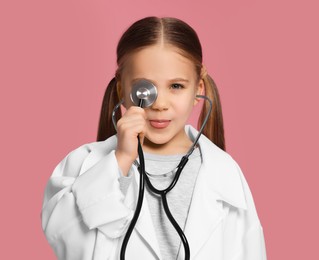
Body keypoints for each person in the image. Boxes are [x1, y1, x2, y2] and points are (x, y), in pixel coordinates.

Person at [41, 16, 267, 260]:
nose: (159, 104)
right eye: (145, 88)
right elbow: (64, 238)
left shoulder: (225, 173)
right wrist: (121, 162)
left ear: (198, 90)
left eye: (177, 86)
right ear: (121, 89)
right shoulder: (84, 164)